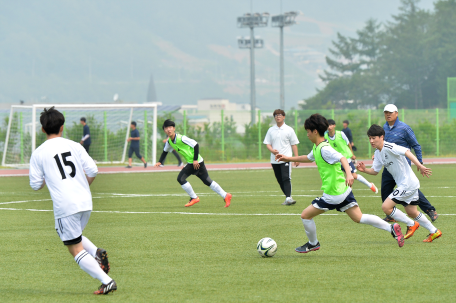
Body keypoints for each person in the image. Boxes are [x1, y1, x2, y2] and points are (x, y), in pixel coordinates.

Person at [275, 114, 404, 254]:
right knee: (359, 217)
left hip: (334, 193)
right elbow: (308, 157)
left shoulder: (325, 149)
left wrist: (349, 174)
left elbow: (342, 158)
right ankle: (391, 228)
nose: (307, 134)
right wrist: (287, 157)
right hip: (343, 190)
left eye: (308, 131)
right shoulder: (318, 147)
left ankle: (313, 243)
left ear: (315, 131)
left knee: (305, 215)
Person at [29, 107, 117, 295]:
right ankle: (96, 252)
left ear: (42, 129)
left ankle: (107, 281)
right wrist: (83, 187)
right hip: (85, 201)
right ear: (62, 127)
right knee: (74, 236)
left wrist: (48, 174)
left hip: (66, 205)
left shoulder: (39, 153)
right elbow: (93, 170)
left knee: (75, 249)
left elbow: (36, 185)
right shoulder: (75, 145)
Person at [357, 124, 442, 243]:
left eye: (374, 138)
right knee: (411, 211)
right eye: (370, 138)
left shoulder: (389, 146)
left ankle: (411, 224)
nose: (371, 141)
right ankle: (434, 231)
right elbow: (375, 171)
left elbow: (407, 151)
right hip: (408, 184)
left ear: (382, 137)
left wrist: (419, 165)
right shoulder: (377, 153)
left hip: (407, 184)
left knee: (386, 207)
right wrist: (365, 170)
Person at [154, 119, 232, 207]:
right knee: (207, 181)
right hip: (196, 162)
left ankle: (194, 197)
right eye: (166, 128)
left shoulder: (181, 138)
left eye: (170, 127)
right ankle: (225, 195)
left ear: (174, 128)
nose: (169, 129)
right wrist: (160, 161)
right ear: (164, 130)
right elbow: (165, 151)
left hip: (195, 162)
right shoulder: (169, 142)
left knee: (181, 178)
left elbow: (195, 144)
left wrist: (195, 160)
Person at [381, 104, 438, 222]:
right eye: (386, 112)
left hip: (403, 167)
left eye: (390, 112)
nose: (388, 114)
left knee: (411, 190)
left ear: (396, 113)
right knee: (385, 189)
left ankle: (430, 210)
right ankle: (391, 214)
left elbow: (415, 145)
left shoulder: (404, 128)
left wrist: (420, 162)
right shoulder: (383, 129)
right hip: (389, 165)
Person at [324, 119, 378, 193]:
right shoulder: (325, 137)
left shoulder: (340, 134)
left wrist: (352, 154)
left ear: (334, 125)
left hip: (345, 159)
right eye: (327, 125)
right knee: (338, 178)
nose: (329, 127)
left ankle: (370, 185)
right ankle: (346, 193)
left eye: (330, 125)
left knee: (353, 176)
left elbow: (348, 143)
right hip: (336, 161)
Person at [263, 109, 300, 205]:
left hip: (286, 158)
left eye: (280, 115)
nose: (277, 116)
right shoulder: (271, 130)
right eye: (275, 115)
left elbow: (294, 144)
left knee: (286, 177)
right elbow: (267, 144)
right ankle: (288, 198)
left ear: (284, 117)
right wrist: (272, 151)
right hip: (274, 160)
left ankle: (288, 198)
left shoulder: (289, 129)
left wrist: (296, 158)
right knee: (279, 179)